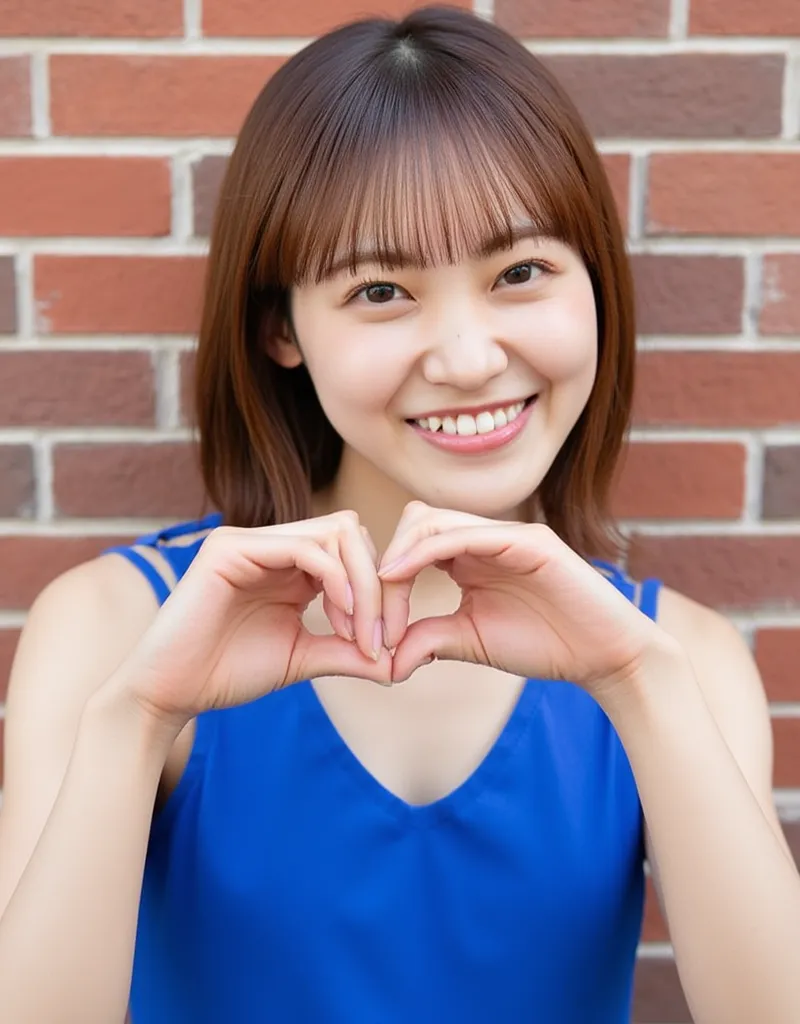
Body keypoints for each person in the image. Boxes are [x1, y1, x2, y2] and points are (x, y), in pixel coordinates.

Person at [0, 7, 798, 1023]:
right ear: (280, 330)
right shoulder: (113, 625)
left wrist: (639, 685)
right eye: (381, 289)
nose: (466, 356)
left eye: (519, 273)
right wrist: (136, 719)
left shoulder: (677, 654)